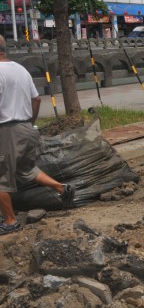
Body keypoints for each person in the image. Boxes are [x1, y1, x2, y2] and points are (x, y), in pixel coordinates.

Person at [0, 35, 75, 235]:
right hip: (26, 128)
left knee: (1, 178)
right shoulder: (21, 69)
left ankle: (10, 221)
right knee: (26, 170)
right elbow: (37, 99)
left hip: (6, 131)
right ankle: (61, 188)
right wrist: (29, 123)